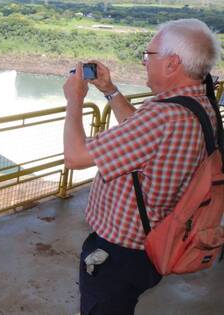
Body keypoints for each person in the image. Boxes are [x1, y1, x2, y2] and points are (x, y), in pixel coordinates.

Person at [62, 19, 220, 314]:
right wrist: (110, 91)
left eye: (149, 55)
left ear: (172, 63)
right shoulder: (199, 106)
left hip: (120, 255)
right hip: (155, 243)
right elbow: (140, 134)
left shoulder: (161, 117)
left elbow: (75, 156)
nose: (145, 62)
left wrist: (75, 100)